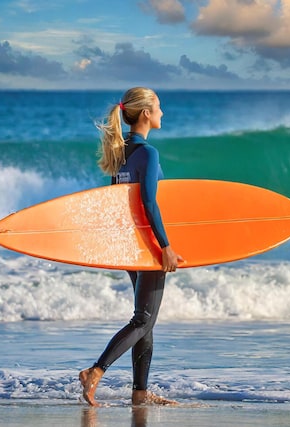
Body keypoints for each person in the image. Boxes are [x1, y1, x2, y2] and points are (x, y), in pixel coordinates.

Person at [79, 87, 182, 407]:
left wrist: (119, 246)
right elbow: (148, 201)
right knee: (143, 320)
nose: (163, 113)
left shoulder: (120, 153)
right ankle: (95, 371)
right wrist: (164, 245)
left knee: (145, 321)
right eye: (159, 107)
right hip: (149, 246)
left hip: (130, 245)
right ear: (146, 114)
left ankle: (139, 393)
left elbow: (116, 205)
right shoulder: (148, 153)